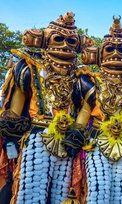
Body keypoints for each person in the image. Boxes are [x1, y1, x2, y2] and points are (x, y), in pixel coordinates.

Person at [0, 12, 92, 203]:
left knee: (62, 194)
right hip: (37, 137)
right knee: (32, 191)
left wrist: (77, 132)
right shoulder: (29, 68)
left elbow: (84, 107)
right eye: (59, 39)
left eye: (71, 41)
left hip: (67, 140)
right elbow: (15, 111)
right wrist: (11, 137)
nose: (65, 45)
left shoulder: (79, 77)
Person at [73, 16, 122, 203]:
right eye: (110, 49)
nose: (116, 53)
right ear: (99, 54)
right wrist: (75, 131)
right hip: (97, 140)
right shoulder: (90, 81)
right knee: (98, 191)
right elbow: (85, 110)